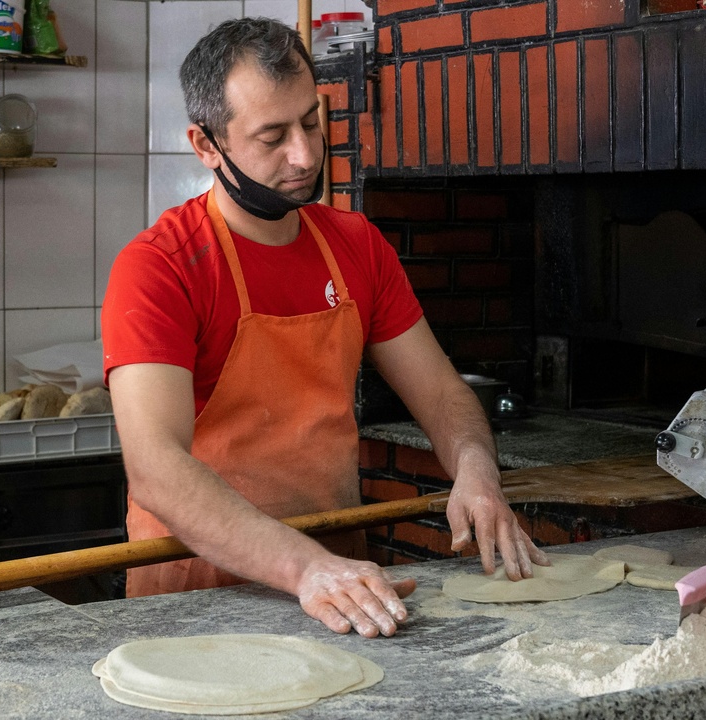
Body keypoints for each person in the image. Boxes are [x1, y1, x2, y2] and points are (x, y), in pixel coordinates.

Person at [101, 17, 549, 638]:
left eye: (311, 122)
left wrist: (476, 470)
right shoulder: (159, 267)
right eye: (272, 136)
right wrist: (306, 567)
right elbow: (156, 467)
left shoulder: (356, 246)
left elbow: (444, 394)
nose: (305, 156)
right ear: (206, 146)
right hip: (197, 594)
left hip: (341, 584)